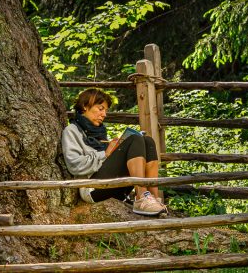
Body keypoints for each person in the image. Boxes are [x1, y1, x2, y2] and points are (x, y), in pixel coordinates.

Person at [60, 88, 167, 216]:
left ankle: (153, 199)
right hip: (93, 189)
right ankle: (141, 197)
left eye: (105, 110)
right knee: (135, 139)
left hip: (116, 187)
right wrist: (105, 154)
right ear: (84, 106)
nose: (104, 114)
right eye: (101, 109)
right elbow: (74, 166)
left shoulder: (99, 132)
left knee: (148, 141)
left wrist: (113, 151)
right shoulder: (71, 131)